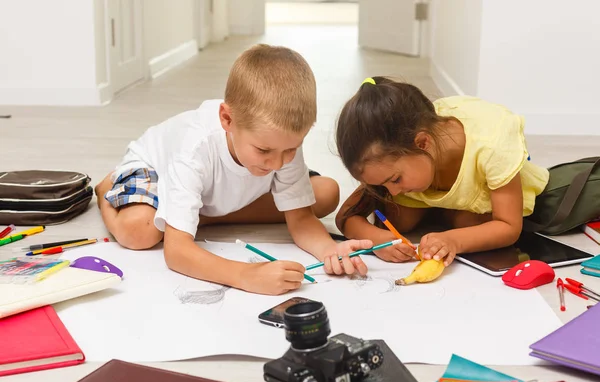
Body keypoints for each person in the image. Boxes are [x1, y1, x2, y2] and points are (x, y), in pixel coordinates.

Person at [95, 44, 372, 295]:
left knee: (324, 194)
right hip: (151, 167)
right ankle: (105, 190)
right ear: (227, 119)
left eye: (291, 149)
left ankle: (192, 214)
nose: (277, 163)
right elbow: (176, 252)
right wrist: (245, 275)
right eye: (264, 150)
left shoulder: (276, 143)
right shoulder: (195, 150)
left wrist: (329, 250)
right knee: (140, 232)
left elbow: (300, 219)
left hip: (214, 190)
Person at [334, 77, 549, 267]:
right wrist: (377, 240)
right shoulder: (391, 154)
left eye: (396, 179)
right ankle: (445, 211)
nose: (394, 192)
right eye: (381, 185)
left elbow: (509, 227)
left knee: (470, 224)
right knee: (398, 222)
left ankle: (450, 214)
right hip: (430, 177)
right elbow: (346, 217)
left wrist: (453, 240)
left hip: (490, 195)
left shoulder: (492, 145)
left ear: (423, 143)